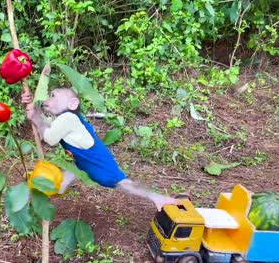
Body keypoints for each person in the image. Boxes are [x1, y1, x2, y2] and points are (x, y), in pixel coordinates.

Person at [22, 87, 179, 211]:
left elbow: (50, 138)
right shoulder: (64, 118)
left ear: (72, 104)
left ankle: (156, 197)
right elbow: (47, 123)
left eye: (53, 95)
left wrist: (35, 117)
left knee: (122, 183)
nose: (48, 99)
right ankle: (58, 187)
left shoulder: (68, 118)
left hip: (96, 161)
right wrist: (32, 106)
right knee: (74, 170)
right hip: (82, 161)